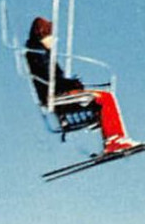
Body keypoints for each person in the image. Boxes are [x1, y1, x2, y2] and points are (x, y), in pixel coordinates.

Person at [25, 17, 136, 153]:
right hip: (56, 95)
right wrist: (70, 84)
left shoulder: (42, 54)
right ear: (43, 35)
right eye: (51, 36)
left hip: (58, 92)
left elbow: (53, 77)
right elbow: (50, 78)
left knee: (106, 97)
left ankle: (115, 138)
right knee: (104, 98)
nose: (54, 40)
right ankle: (113, 140)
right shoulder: (38, 54)